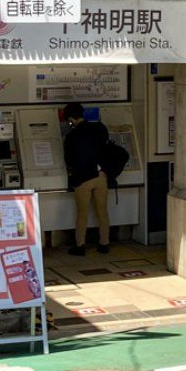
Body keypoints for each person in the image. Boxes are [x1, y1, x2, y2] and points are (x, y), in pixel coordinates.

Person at [62, 102, 110, 256]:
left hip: (83, 179)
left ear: (71, 118)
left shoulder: (72, 136)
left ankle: (80, 246)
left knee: (82, 213)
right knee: (102, 212)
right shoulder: (99, 128)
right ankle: (104, 244)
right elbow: (105, 148)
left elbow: (68, 160)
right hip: (101, 176)